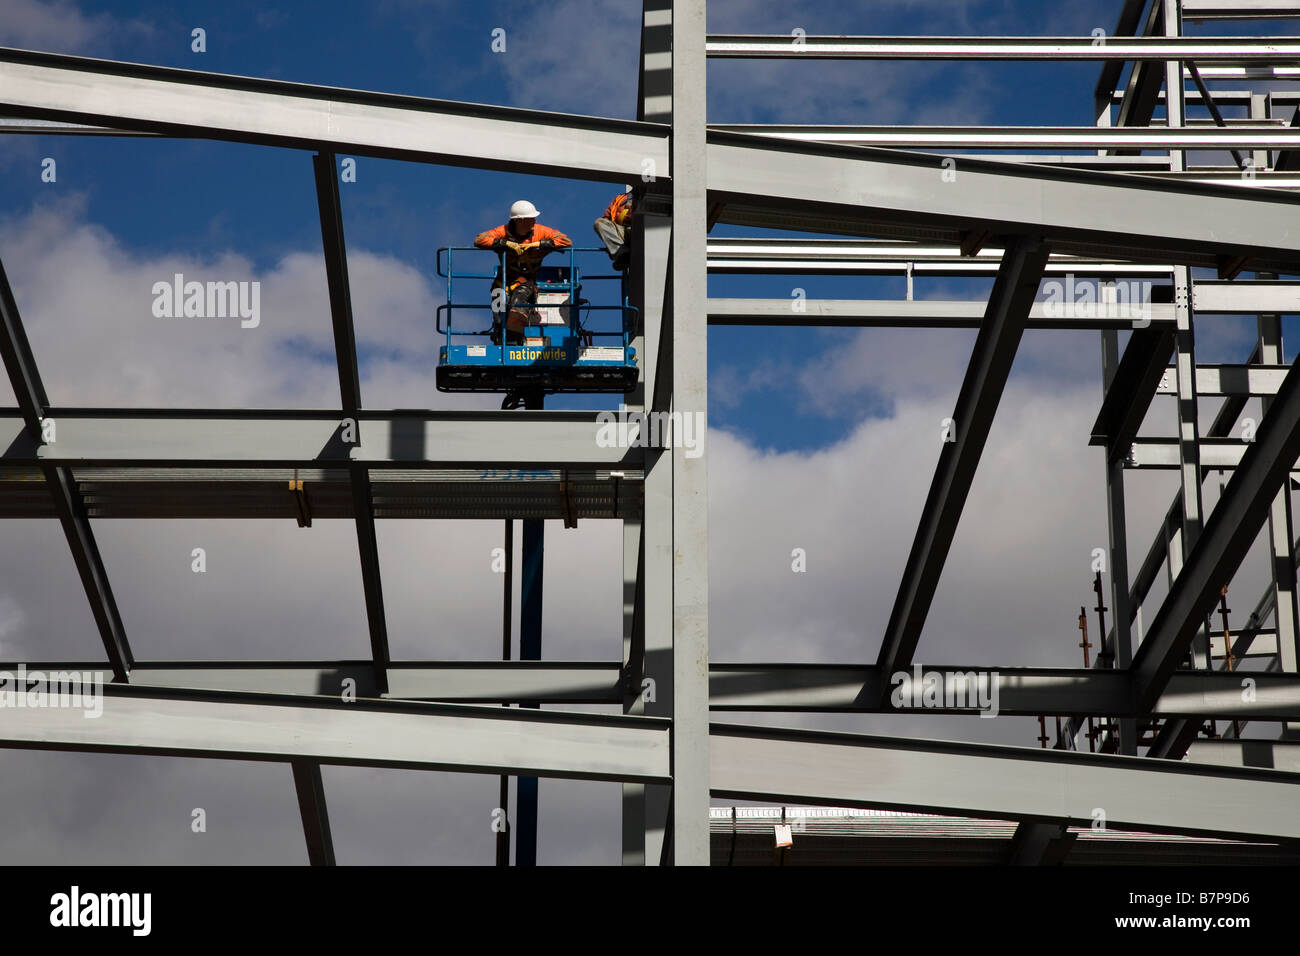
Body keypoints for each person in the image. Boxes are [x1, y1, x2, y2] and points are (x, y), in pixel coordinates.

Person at [474, 200, 572, 345]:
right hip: (503, 280)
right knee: (499, 307)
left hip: (526, 282)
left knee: (518, 304)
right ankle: (501, 338)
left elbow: (566, 241)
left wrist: (537, 244)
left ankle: (514, 341)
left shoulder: (540, 232)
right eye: (531, 218)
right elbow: (480, 240)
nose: (534, 220)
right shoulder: (503, 232)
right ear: (520, 220)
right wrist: (506, 244)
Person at [593, 188, 633, 271]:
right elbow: (607, 217)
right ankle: (621, 254)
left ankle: (621, 253)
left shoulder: (643, 195)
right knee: (599, 223)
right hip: (620, 230)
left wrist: (627, 211)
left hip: (634, 228)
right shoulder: (620, 198)